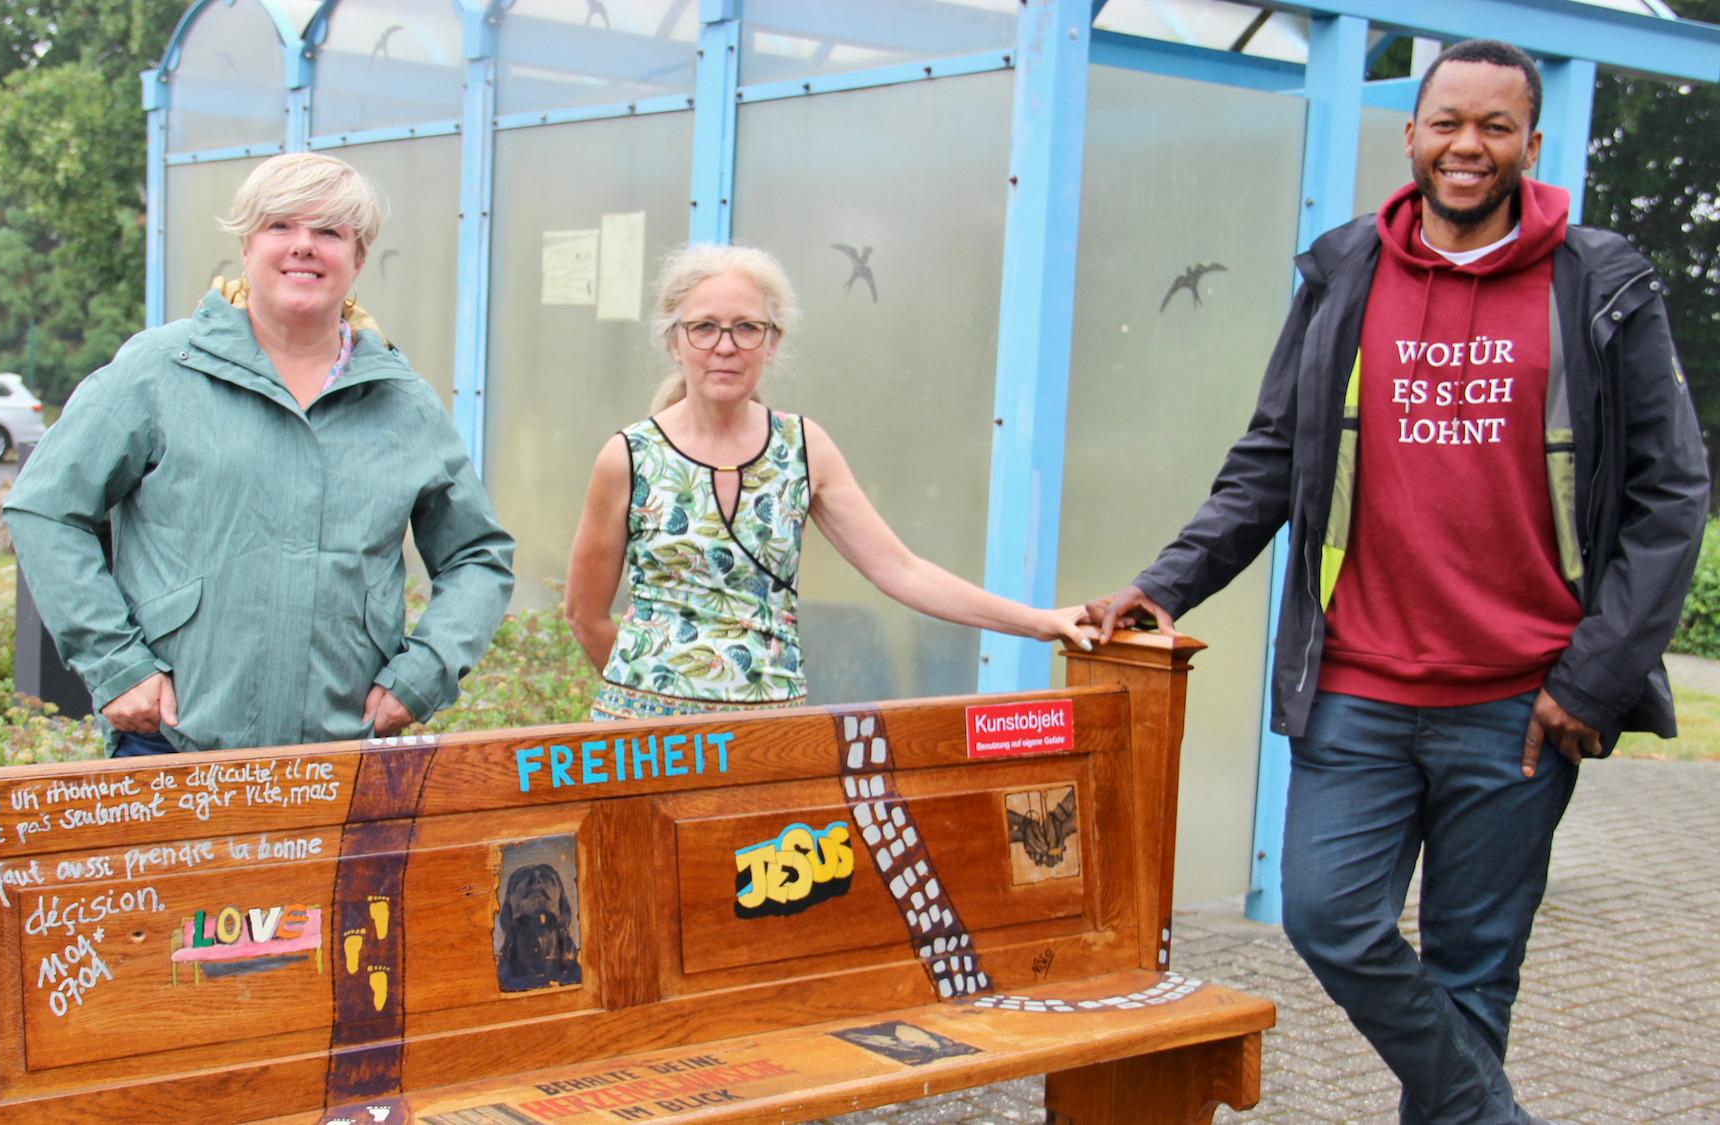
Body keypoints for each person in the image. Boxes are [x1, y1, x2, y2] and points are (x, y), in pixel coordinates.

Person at [1087, 40, 1706, 1125]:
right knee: (1329, 920)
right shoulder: (1342, 271)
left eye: (1494, 128)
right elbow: (1272, 456)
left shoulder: (1597, 282)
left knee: (1474, 970)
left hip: (1520, 702)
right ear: (1410, 134)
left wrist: (1593, 679)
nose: (1467, 147)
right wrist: (1168, 582)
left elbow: (1668, 495)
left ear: (1528, 144)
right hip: (1356, 689)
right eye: (1447, 123)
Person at [5, 153, 514, 755]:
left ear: (357, 259)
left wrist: (423, 675)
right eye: (280, 226)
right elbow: (45, 508)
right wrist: (116, 664)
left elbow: (477, 556)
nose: (304, 246)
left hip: (340, 749)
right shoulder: (160, 369)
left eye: (328, 231)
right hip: (171, 741)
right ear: (247, 247)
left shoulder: (401, 400)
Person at [565, 243, 1091, 722]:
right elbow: (585, 615)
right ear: (675, 341)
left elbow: (902, 570)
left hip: (769, 735)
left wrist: (1039, 621)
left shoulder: (803, 447)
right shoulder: (628, 457)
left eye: (747, 328)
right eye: (704, 327)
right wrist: (658, 694)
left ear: (772, 344)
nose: (725, 346)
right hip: (647, 744)